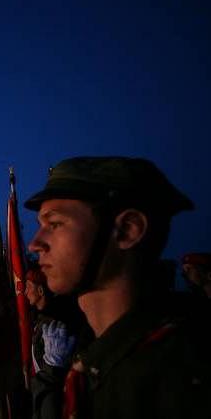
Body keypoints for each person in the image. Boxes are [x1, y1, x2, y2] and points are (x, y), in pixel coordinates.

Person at [25, 156, 211, 419]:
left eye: (54, 224)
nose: (34, 244)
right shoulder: (96, 353)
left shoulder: (182, 373)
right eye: (40, 226)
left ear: (127, 230)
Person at [25, 266, 87, 419]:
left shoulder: (55, 325)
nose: (25, 292)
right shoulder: (41, 320)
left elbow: (51, 378)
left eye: (28, 287)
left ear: (40, 291)